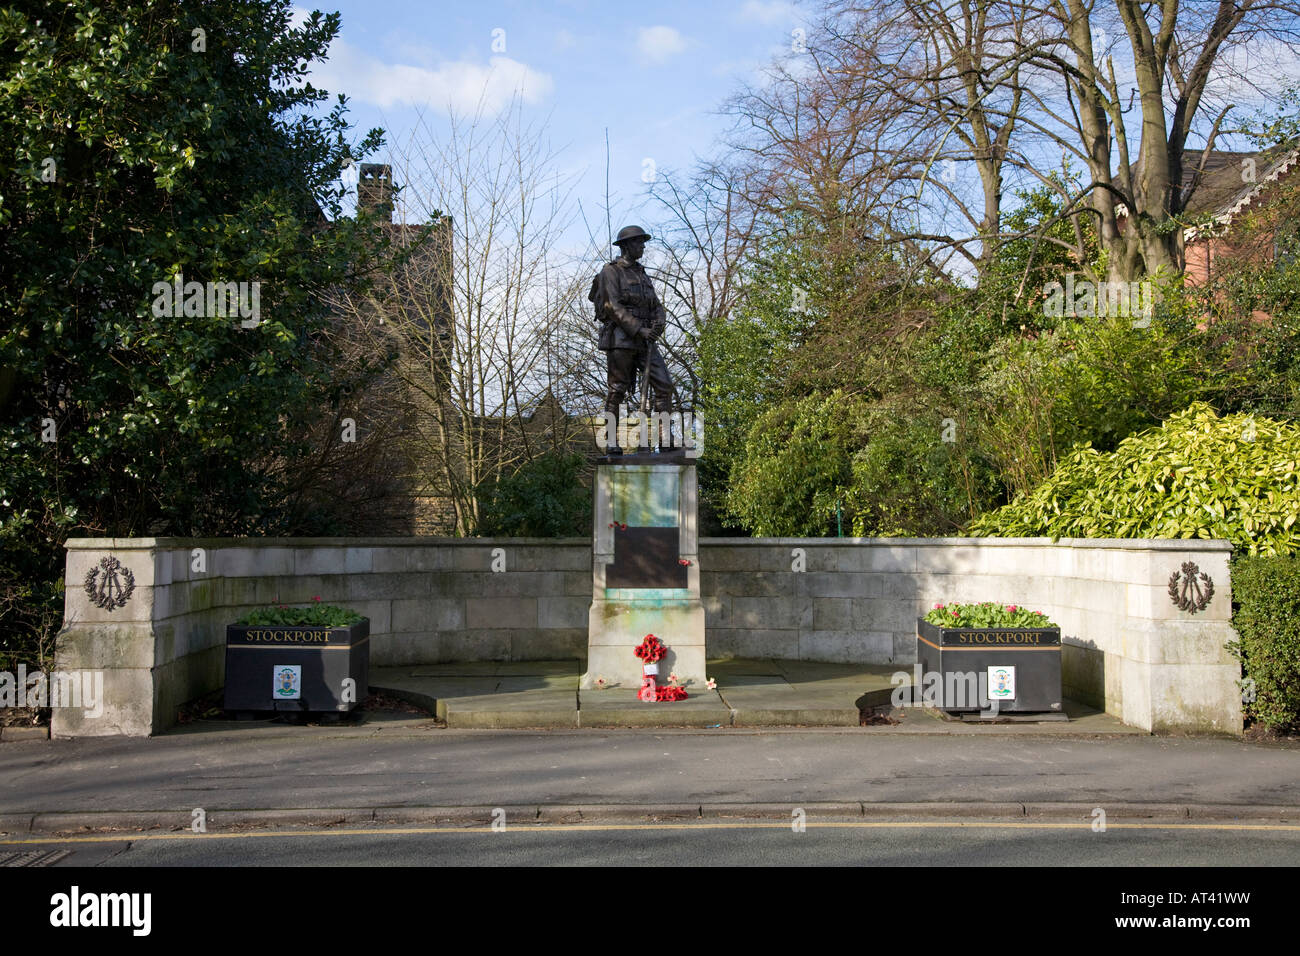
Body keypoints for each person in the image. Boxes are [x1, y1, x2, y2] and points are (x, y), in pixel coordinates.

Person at [588, 225, 674, 454]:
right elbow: (611, 305)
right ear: (626, 246)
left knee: (664, 385)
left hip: (646, 340)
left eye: (643, 242)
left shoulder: (641, 273)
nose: (643, 246)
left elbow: (656, 305)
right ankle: (611, 439)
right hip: (621, 339)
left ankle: (665, 437)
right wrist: (638, 329)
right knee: (617, 390)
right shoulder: (611, 271)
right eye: (638, 242)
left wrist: (658, 324)